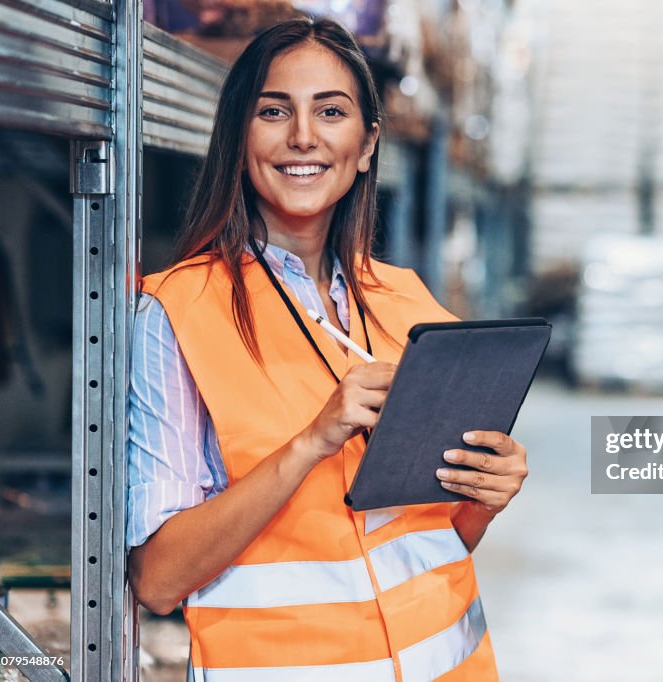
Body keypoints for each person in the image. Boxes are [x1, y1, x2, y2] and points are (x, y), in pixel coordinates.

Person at [126, 18, 527, 681]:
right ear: (239, 137)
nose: (303, 137)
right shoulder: (178, 313)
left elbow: (434, 542)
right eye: (274, 111)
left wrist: (485, 491)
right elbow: (159, 579)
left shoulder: (410, 304)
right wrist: (313, 440)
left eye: (331, 111)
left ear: (367, 144)